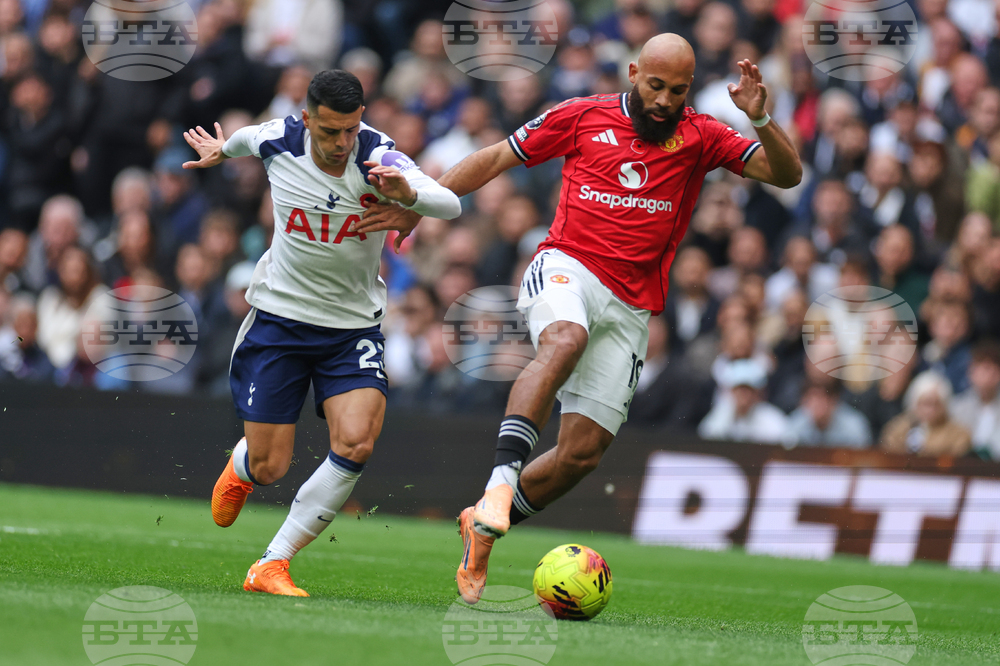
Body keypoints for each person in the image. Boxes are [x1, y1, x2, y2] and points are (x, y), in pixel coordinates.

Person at [358, 33, 802, 604]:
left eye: (678, 90)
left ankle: (485, 525)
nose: (665, 101)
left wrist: (761, 117)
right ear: (634, 72)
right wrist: (422, 201)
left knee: (581, 455)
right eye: (656, 86)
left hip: (632, 304)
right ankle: (498, 483)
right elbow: (495, 156)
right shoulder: (581, 116)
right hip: (567, 266)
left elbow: (786, 176)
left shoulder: (701, 135)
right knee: (565, 338)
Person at [180, 70, 461, 597]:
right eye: (331, 132)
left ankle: (272, 563)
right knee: (271, 465)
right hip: (279, 325)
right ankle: (243, 466)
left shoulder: (379, 156)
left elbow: (450, 203)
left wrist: (410, 196)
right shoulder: (277, 139)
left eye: (351, 130)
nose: (342, 143)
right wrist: (222, 150)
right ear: (307, 119)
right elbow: (242, 141)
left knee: (357, 441)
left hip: (350, 329)